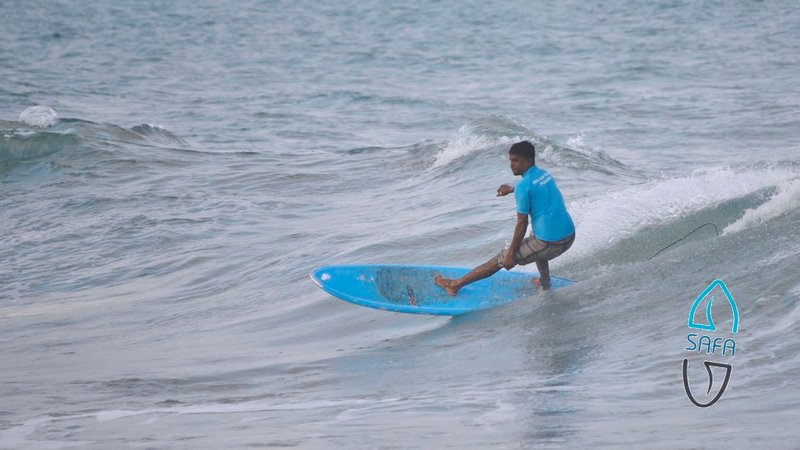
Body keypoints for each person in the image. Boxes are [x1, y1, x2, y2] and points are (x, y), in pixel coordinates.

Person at [434, 140, 575, 295]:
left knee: (502, 258)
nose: (512, 165)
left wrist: (510, 255)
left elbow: (521, 223)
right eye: (510, 161)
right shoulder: (544, 175)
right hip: (569, 235)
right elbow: (533, 190)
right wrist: (512, 190)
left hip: (551, 243)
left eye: (515, 161)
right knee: (533, 236)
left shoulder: (523, 186)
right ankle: (545, 284)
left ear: (529, 160)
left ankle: (454, 285)